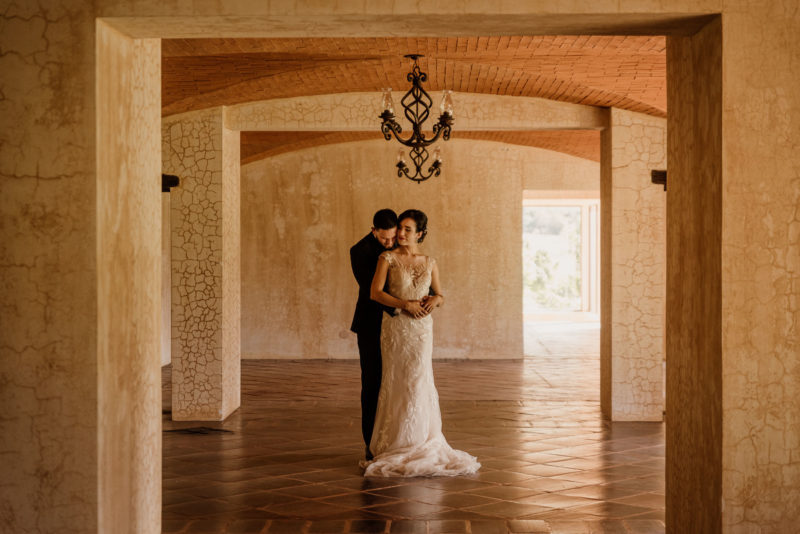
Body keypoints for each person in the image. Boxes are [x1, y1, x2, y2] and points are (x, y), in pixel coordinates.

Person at [363, 209, 480, 477]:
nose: (400, 234)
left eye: (406, 230)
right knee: (399, 380)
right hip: (397, 328)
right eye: (400, 229)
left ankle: (422, 439)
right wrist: (405, 304)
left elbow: (440, 294)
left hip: (422, 330)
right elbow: (375, 293)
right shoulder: (387, 258)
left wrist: (436, 301)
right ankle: (397, 441)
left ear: (420, 234)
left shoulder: (429, 261)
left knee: (419, 379)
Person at [350, 209, 398, 462]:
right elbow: (374, 291)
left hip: (400, 326)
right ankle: (370, 444)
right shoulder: (358, 251)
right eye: (384, 239)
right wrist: (403, 305)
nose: (390, 244)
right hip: (371, 324)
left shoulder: (402, 244)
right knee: (372, 383)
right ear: (373, 231)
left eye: (393, 239)